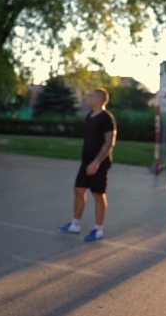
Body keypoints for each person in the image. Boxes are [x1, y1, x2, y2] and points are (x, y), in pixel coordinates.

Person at [58, 88, 117, 242]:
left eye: (90, 96)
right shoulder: (89, 117)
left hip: (99, 163)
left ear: (99, 99)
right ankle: (75, 224)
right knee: (78, 190)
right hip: (86, 162)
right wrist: (88, 163)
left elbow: (109, 142)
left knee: (98, 195)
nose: (87, 98)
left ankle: (98, 230)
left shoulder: (107, 118)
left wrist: (97, 162)